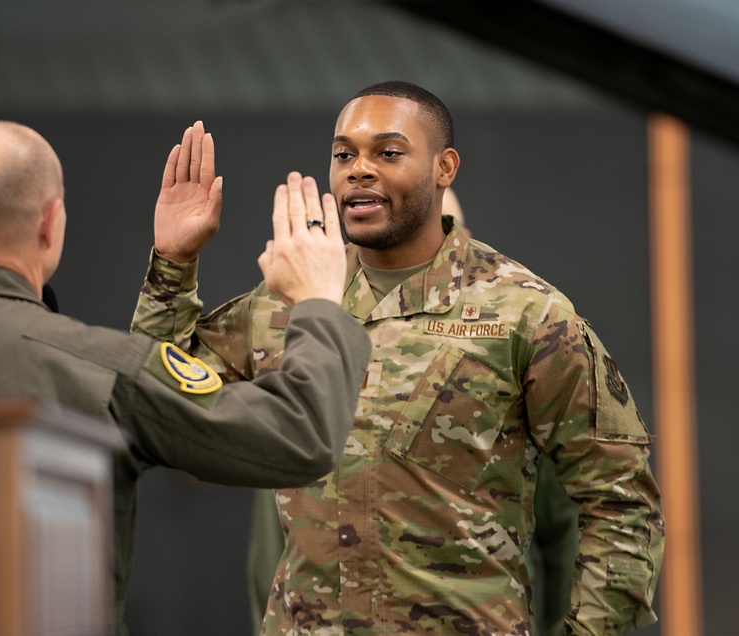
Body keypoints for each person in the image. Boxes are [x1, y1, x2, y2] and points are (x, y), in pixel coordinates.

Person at [132, 82, 664, 634]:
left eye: (387, 152)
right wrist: (174, 260)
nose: (358, 170)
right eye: (343, 155)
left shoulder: (526, 313)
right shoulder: (288, 303)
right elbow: (155, 409)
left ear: (444, 167)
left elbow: (622, 501)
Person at [0, 120, 373, 635]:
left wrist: (173, 271)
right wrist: (319, 302)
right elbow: (298, 438)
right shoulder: (99, 368)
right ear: (52, 221)